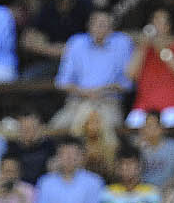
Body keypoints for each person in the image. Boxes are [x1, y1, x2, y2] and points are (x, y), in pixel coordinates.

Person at [52, 10, 134, 138]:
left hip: (108, 103)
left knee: (103, 131)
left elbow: (127, 83)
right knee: (54, 129)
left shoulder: (122, 43)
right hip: (76, 102)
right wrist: (84, 92)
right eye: (97, 23)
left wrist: (103, 90)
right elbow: (61, 82)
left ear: (112, 28)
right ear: (89, 25)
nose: (101, 27)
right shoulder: (76, 42)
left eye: (105, 24)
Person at [125, 6, 174, 130]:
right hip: (144, 107)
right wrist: (142, 48)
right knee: (132, 124)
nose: (157, 26)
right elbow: (130, 74)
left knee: (166, 125)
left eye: (162, 22)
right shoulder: (143, 47)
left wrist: (162, 50)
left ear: (169, 26)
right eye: (154, 21)